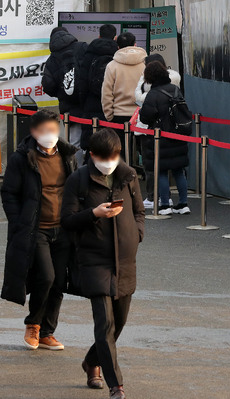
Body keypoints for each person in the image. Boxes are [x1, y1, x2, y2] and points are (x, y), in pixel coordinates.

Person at [61, 128, 144, 398]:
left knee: (119, 322)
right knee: (105, 324)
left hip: (125, 260)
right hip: (94, 259)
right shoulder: (78, 180)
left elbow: (139, 211)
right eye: (105, 157)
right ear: (92, 155)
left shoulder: (128, 175)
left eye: (115, 156)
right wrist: (94, 214)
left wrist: (137, 234)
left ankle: (91, 361)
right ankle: (116, 385)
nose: (110, 162)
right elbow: (68, 220)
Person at [1, 110, 78, 351]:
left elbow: (75, 188)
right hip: (37, 229)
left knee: (59, 282)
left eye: (53, 130)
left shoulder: (68, 155)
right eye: (44, 131)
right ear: (34, 132)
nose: (49, 135)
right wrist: (18, 221)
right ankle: (33, 323)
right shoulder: (21, 158)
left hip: (63, 228)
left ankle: (47, 332)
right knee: (46, 276)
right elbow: (9, 193)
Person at [138, 61, 190, 215]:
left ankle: (165, 204)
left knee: (161, 171)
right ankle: (183, 203)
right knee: (178, 171)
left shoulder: (152, 94)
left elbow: (146, 117)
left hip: (160, 137)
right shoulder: (175, 90)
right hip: (178, 135)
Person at [41, 26, 86, 163]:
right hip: (87, 104)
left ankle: (74, 174)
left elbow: (48, 85)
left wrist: (61, 93)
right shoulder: (82, 48)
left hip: (69, 109)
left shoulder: (52, 59)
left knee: (74, 143)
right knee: (93, 139)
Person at [76, 24, 118, 152]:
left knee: (92, 143)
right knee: (110, 143)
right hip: (112, 104)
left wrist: (83, 102)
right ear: (115, 38)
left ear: (99, 36)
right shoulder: (118, 55)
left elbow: (81, 81)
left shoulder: (89, 53)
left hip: (91, 101)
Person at [102, 31, 147, 125]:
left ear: (118, 47)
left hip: (118, 114)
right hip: (141, 114)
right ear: (135, 44)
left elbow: (106, 93)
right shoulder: (145, 64)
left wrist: (109, 116)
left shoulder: (112, 66)